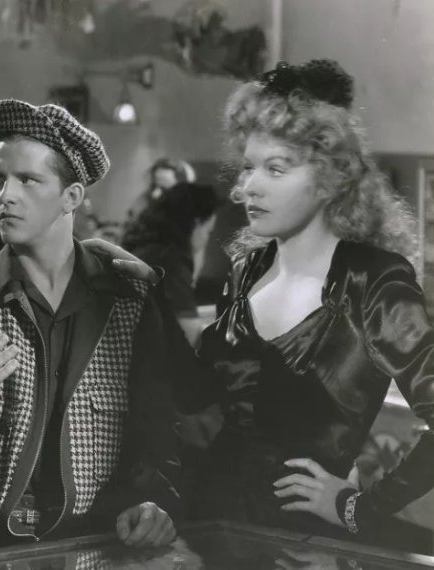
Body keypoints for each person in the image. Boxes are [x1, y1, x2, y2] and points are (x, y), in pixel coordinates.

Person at [89, 60, 434, 552]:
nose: (248, 185)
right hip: (210, 522)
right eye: (249, 166)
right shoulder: (247, 270)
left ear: (329, 178)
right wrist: (149, 292)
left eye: (275, 168)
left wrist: (359, 508)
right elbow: (194, 393)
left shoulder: (372, 280)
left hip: (299, 545)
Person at [0, 99, 188, 553]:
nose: (5, 195)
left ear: (71, 197)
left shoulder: (128, 304)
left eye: (28, 180)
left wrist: (154, 501)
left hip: (101, 548)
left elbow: (157, 433)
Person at [121, 180, 219, 344]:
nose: (205, 240)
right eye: (208, 232)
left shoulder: (145, 250)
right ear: (196, 224)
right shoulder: (169, 263)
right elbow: (189, 338)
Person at [124, 157, 195, 222]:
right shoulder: (145, 200)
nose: (158, 190)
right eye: (156, 181)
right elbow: (132, 219)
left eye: (165, 181)